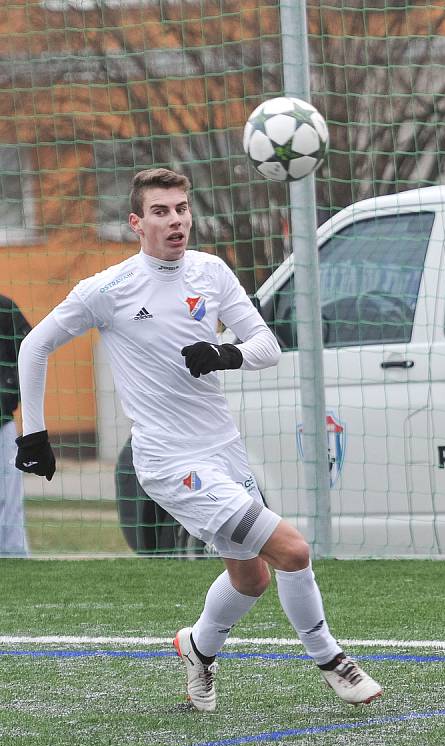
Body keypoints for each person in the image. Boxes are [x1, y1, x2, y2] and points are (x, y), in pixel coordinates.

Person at [15, 167, 382, 710]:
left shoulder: (211, 273)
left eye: (182, 209)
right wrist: (37, 434)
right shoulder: (108, 289)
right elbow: (35, 346)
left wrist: (224, 353)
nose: (176, 220)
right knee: (293, 550)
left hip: (224, 449)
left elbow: (266, 345)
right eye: (161, 212)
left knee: (252, 577)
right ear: (137, 223)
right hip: (167, 459)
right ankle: (332, 660)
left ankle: (198, 647)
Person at [0, 293, 31, 555]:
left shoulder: (5, 309)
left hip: (2, 424)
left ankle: (14, 555)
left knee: (9, 501)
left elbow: (29, 353)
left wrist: (7, 393)